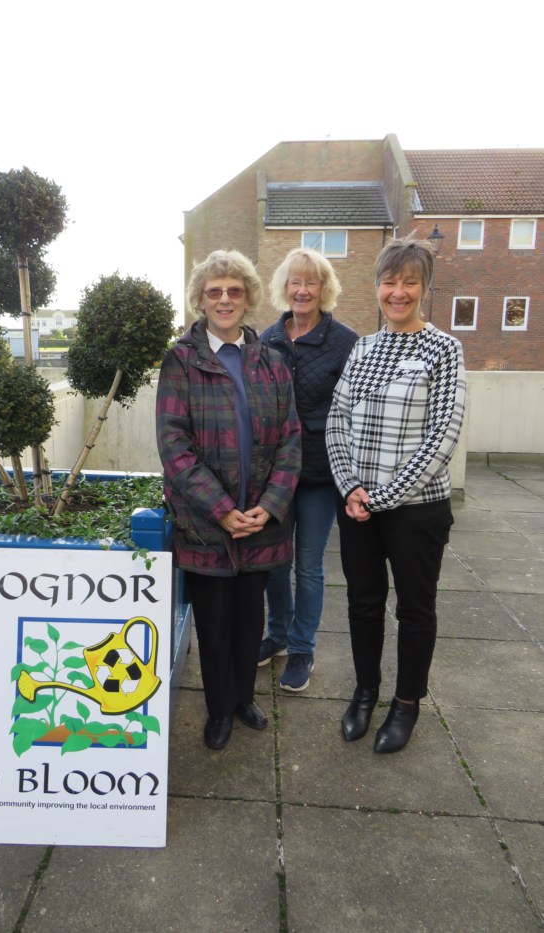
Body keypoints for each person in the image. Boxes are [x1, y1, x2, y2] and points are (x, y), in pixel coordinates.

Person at [326, 236, 466, 753]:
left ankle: (406, 704)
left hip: (417, 510)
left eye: (410, 282)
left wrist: (382, 497)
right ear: (377, 287)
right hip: (358, 505)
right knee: (363, 604)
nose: (398, 292)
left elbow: (442, 436)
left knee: (415, 609)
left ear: (424, 288)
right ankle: (365, 692)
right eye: (390, 281)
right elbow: (336, 421)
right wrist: (351, 486)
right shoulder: (363, 348)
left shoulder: (444, 349)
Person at [156, 249, 301, 750]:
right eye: (214, 291)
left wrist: (271, 506)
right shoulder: (180, 360)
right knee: (214, 625)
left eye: (234, 291)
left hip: (262, 522)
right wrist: (222, 510)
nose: (224, 299)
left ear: (248, 298)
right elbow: (174, 445)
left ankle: (244, 699)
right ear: (200, 299)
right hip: (206, 525)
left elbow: (290, 440)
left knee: (249, 622)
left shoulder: (273, 362)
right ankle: (218, 710)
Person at [258, 248, 357, 691]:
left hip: (319, 473)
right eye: (295, 282)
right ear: (284, 287)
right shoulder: (267, 340)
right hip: (275, 475)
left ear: (324, 289)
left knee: (309, 566)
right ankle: (277, 635)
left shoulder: (345, 342)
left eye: (311, 282)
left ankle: (302, 649)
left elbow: (355, 409)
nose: (302, 290)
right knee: (275, 563)